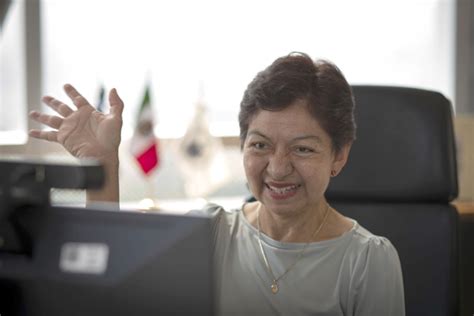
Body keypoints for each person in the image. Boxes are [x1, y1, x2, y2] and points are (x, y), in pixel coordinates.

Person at [29, 52, 405, 315]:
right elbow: (111, 279)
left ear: (339, 155)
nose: (277, 168)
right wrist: (102, 163)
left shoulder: (368, 260)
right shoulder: (209, 233)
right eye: (259, 145)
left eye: (302, 149)